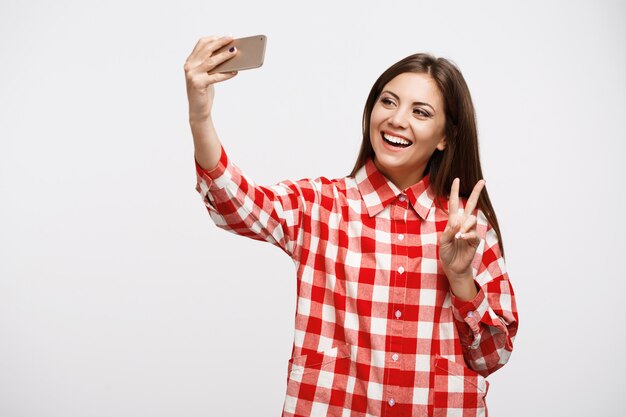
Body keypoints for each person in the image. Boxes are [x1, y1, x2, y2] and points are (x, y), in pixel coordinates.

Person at [184, 35, 518, 417]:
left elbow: (492, 356)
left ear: (445, 137)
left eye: (420, 112)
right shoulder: (321, 205)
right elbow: (234, 205)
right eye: (388, 101)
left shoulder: (468, 229)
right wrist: (200, 116)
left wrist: (461, 280)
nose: (396, 118)